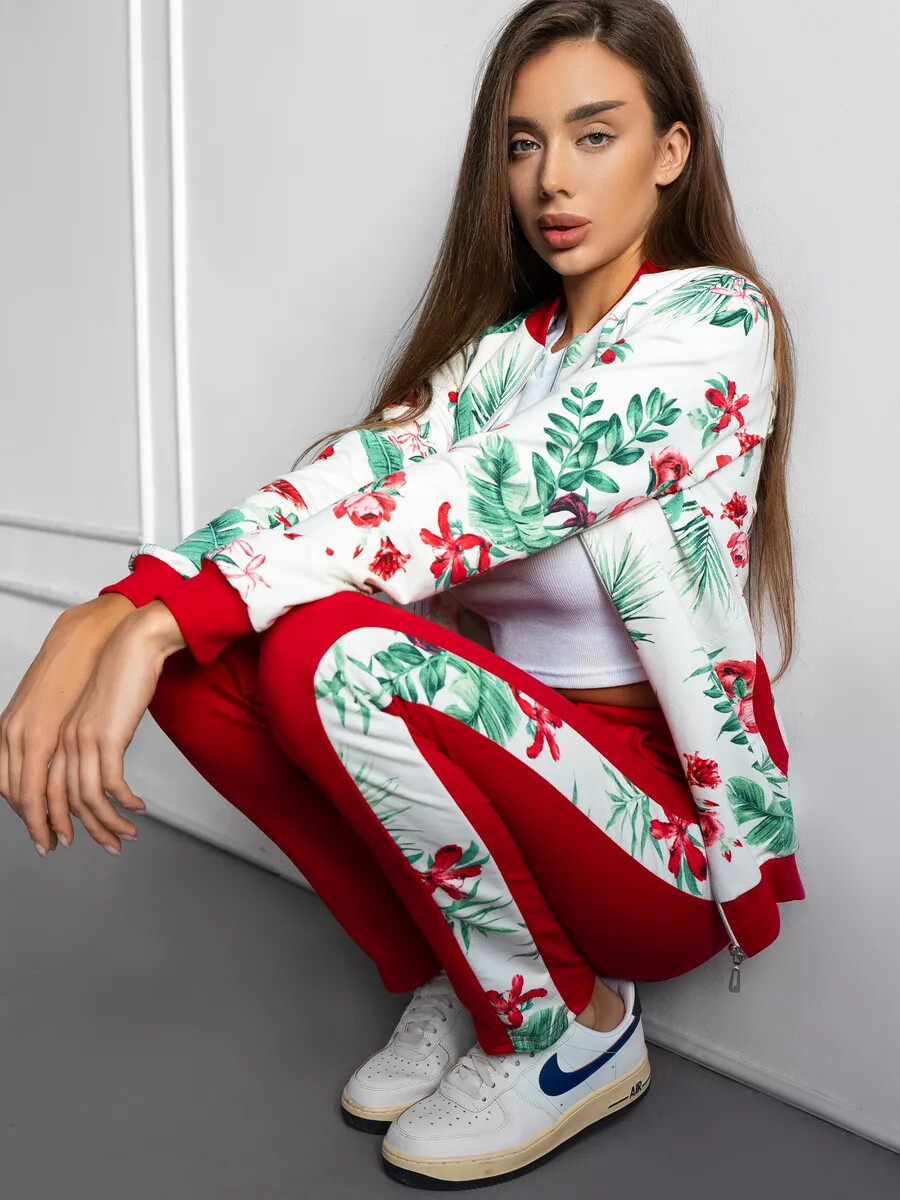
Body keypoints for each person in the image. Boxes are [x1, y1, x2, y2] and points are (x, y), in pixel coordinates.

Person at [0, 0, 806, 1188]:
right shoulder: (504, 358)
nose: (551, 178)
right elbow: (341, 483)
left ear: (670, 152)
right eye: (524, 143)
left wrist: (163, 612)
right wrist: (118, 612)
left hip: (657, 842)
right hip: (527, 794)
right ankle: (463, 970)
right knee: (207, 662)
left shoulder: (714, 324)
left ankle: (569, 1029)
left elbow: (476, 495)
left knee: (324, 647)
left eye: (595, 135)